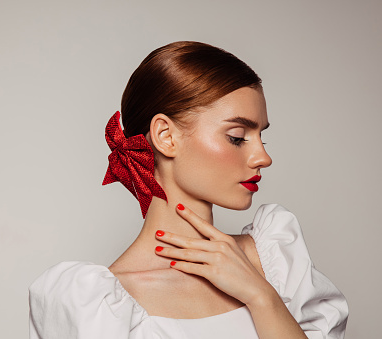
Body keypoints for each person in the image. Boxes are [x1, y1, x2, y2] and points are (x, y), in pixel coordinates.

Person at [28, 41, 349, 338]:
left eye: (261, 136)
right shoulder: (95, 307)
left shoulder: (279, 264)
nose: (263, 157)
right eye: (237, 137)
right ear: (166, 136)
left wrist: (261, 296)